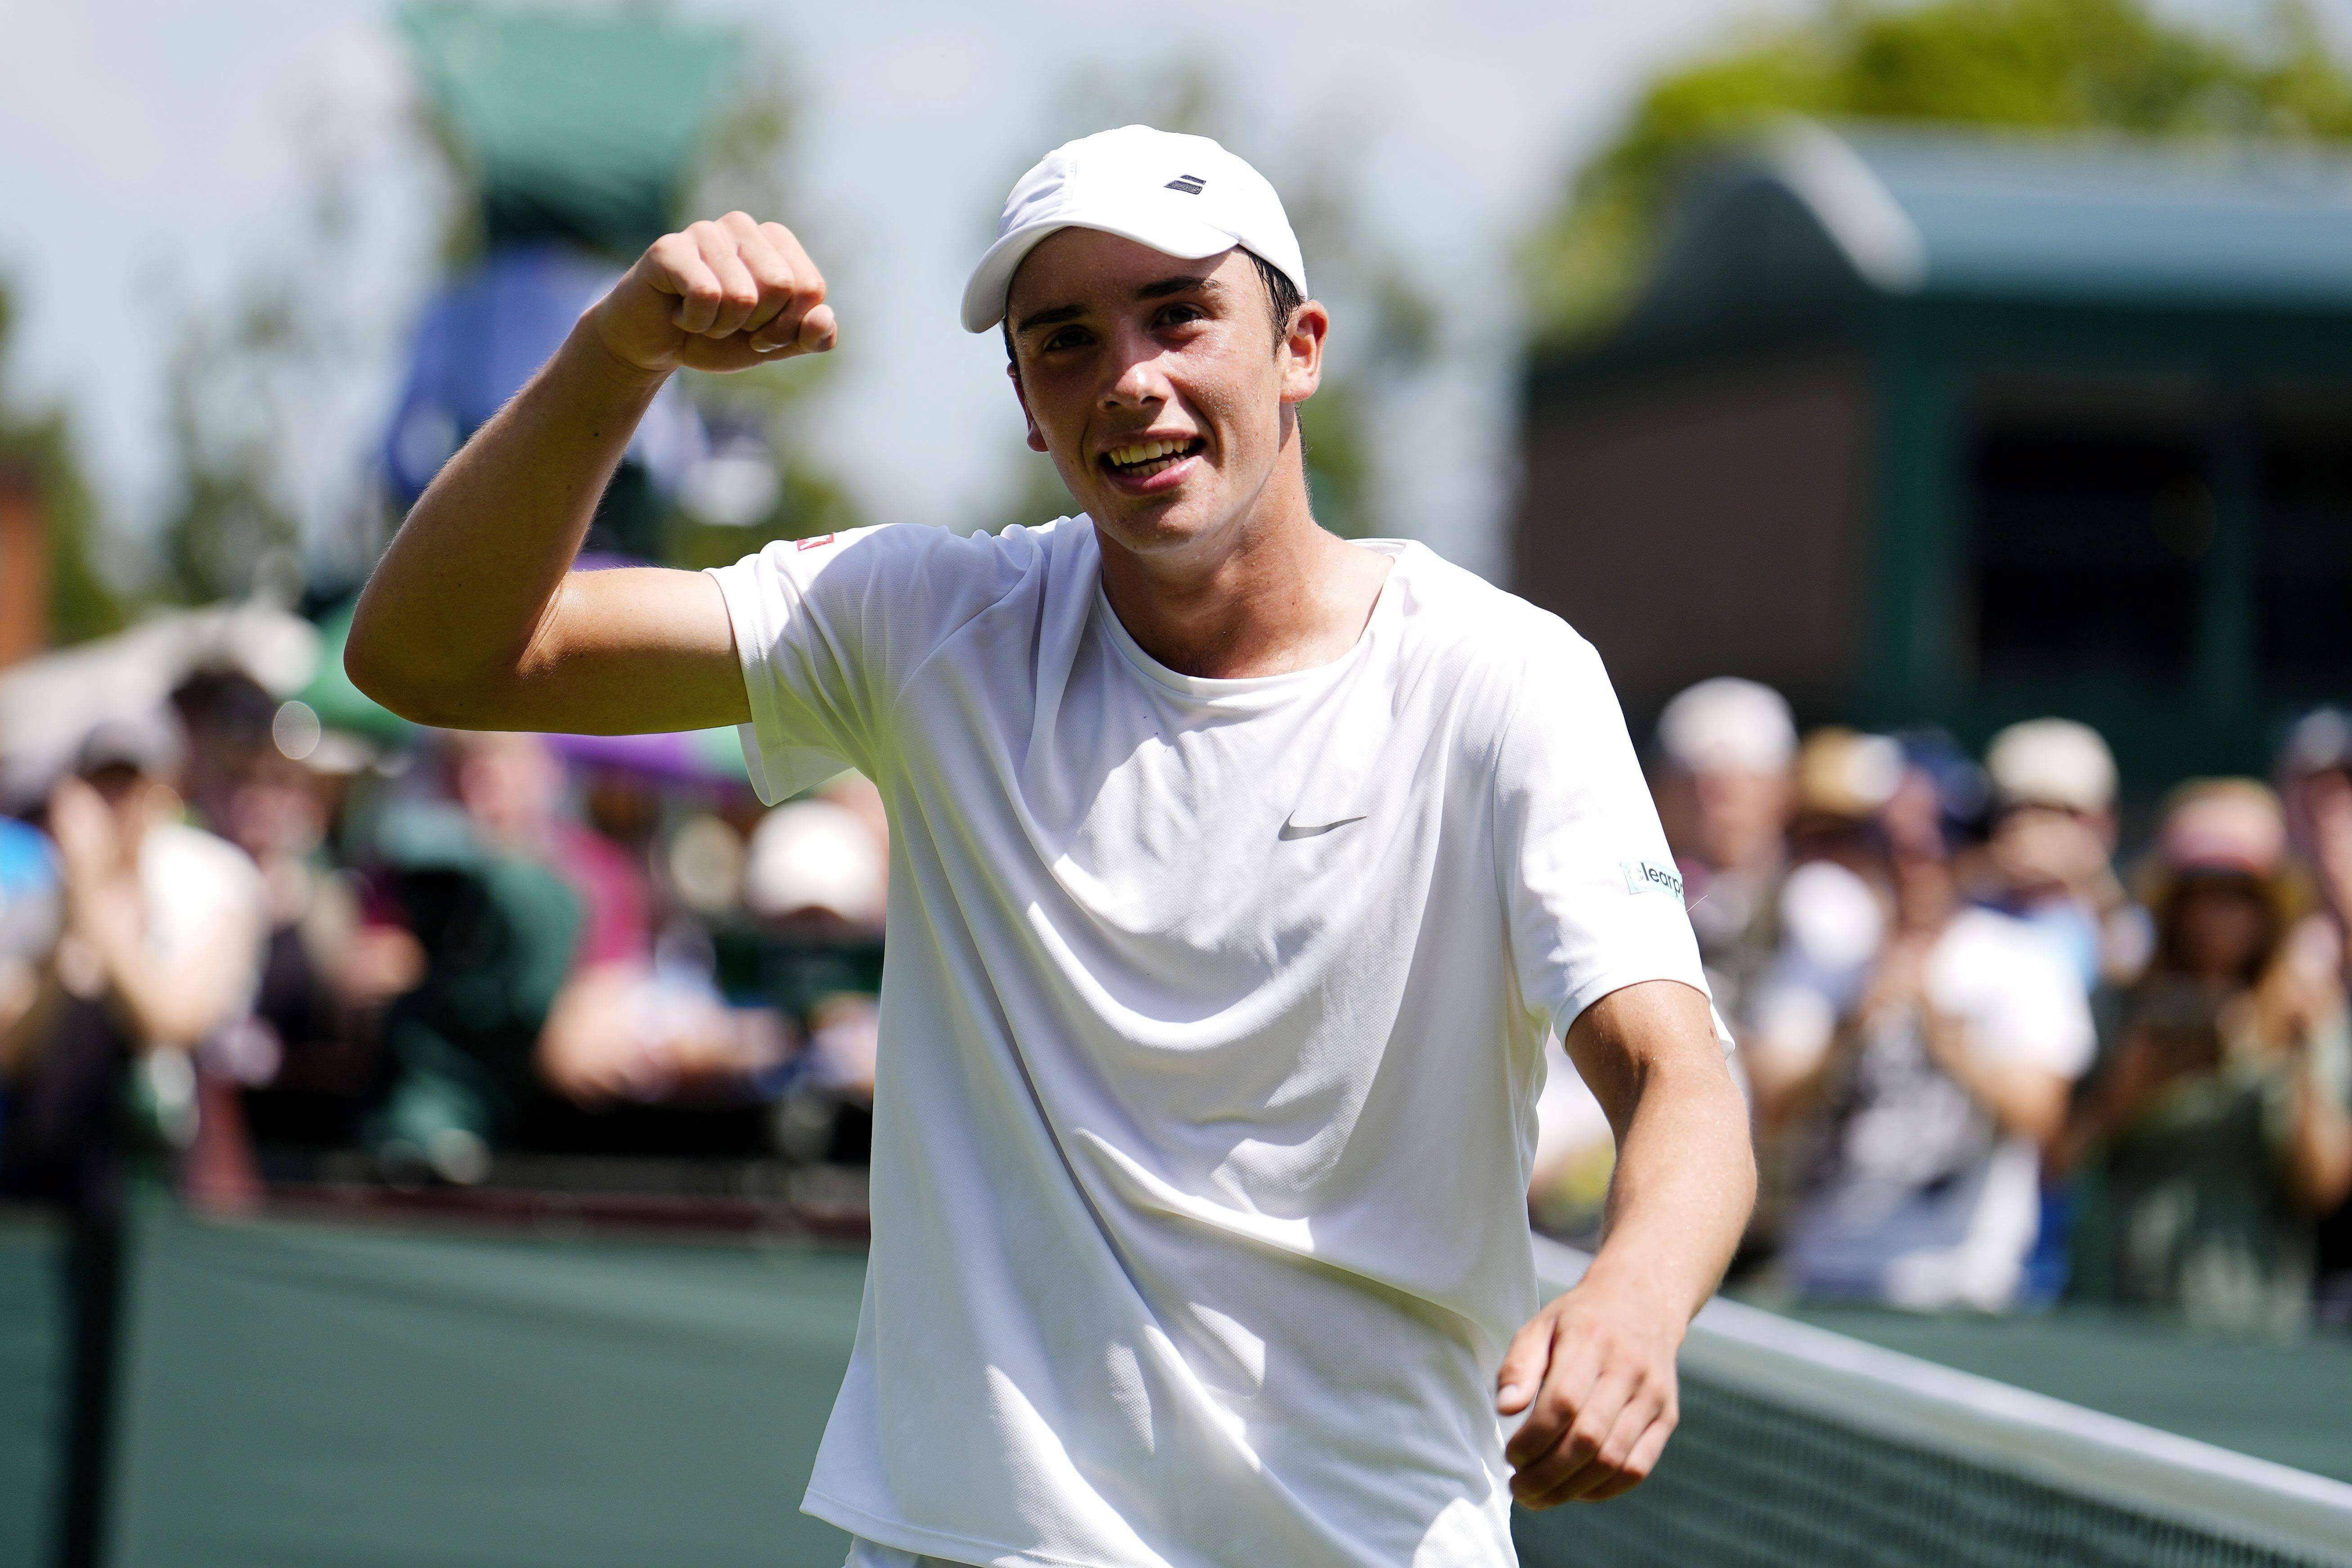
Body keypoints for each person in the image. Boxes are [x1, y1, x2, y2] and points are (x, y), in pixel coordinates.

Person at [345, 125, 1755, 1566]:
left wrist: (1635, 1304)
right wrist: (615, 355)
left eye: (1180, 314)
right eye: (1064, 339)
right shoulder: (922, 620)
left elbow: (1674, 1074)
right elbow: (434, 656)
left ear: (1299, 350)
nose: (1128, 377)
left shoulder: (1503, 676)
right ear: (1026, 403)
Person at [1749, 740, 2095, 1312]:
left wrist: (1945, 1035)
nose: (1915, 865)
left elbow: (2042, 1118)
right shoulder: (1824, 956)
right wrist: (1856, 1020)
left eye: (1939, 844)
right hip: (1822, 1271)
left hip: (1960, 1284)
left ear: (1972, 849)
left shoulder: (2026, 959)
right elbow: (1771, 1103)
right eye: (1894, 846)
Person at [2057, 780, 2352, 1338]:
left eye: (2242, 895)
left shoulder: (2308, 1014)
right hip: (2117, 1308)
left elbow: (2322, 1186)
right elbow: (2061, 1161)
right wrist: (2133, 1085)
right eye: (2202, 893)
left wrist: (2301, 1057)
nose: (2219, 915)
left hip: (2258, 1317)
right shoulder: (2118, 1005)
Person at [1651, 677, 1798, 1045]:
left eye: (1737, 783)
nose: (1713, 802)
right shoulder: (1625, 899)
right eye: (1693, 783)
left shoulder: (1822, 903)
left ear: (1784, 788)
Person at [1978, 717, 2142, 991]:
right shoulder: (1971, 906)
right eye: (2017, 812)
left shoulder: (2121, 915)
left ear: (2103, 823)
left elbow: (2127, 968)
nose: (2032, 831)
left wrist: (2089, 878)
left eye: (2058, 814)